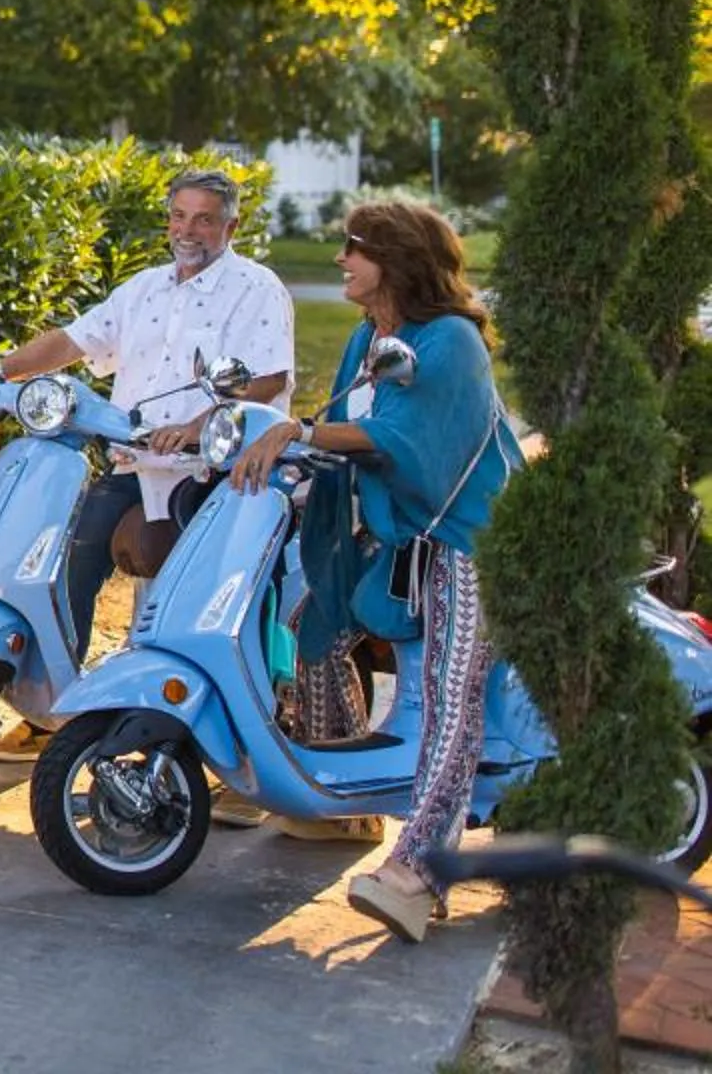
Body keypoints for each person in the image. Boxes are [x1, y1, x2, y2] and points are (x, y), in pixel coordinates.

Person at [229, 199, 515, 943]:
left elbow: (406, 443)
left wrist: (297, 428)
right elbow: (344, 421)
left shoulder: (451, 341)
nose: (340, 261)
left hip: (470, 537)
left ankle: (422, 870)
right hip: (396, 536)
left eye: (353, 249)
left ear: (396, 258)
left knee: (454, 690)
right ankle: (344, 809)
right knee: (304, 617)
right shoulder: (369, 336)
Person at [0, 168, 294, 660]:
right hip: (135, 460)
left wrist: (195, 427)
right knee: (71, 564)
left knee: (184, 600)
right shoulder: (146, 287)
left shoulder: (257, 288)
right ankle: (53, 700)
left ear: (230, 228)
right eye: (178, 217)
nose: (187, 231)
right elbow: (74, 339)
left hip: (212, 474)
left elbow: (270, 378)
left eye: (204, 221)